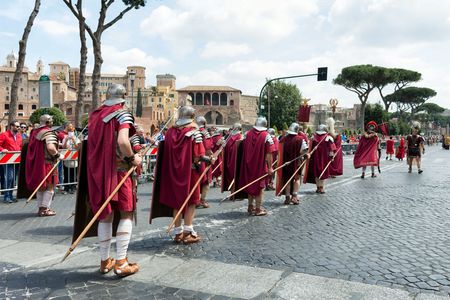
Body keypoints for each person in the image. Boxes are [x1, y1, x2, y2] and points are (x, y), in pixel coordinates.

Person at [87, 84, 142, 277]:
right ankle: (121, 262)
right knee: (126, 213)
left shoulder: (95, 116)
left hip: (98, 172)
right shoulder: (122, 114)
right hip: (119, 172)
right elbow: (122, 142)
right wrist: (132, 158)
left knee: (106, 215)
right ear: (123, 98)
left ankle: (105, 261)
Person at [151, 106, 211, 244]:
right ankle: (187, 232)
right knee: (191, 202)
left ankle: (178, 233)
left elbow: (165, 150)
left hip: (173, 172)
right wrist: (209, 160)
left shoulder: (170, 132)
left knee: (176, 202)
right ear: (192, 116)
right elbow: (198, 157)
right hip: (190, 173)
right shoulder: (194, 132)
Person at [234, 117, 275, 216]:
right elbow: (269, 154)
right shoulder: (267, 136)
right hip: (259, 166)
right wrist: (270, 167)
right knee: (259, 188)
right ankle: (258, 209)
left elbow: (240, 147)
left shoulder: (247, 134)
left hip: (247, 165)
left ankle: (250, 206)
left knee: (250, 185)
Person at [25, 115, 60, 216]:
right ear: (48, 122)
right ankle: (45, 209)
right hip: (48, 163)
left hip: (38, 163)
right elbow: (51, 147)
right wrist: (58, 154)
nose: (52, 122)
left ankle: (41, 208)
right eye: (51, 121)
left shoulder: (34, 132)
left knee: (41, 187)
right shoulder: (48, 132)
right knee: (49, 187)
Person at [276, 122, 308, 205]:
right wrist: (305, 155)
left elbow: (279, 151)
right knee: (296, 179)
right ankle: (294, 196)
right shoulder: (300, 139)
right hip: (296, 163)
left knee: (287, 179)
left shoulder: (283, 139)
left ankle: (287, 197)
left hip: (285, 163)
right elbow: (304, 150)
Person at [304, 124, 336, 194]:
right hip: (324, 158)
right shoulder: (328, 137)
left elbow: (310, 148)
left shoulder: (313, 137)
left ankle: (318, 187)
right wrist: (331, 156)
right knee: (322, 172)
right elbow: (331, 148)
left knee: (317, 172)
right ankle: (321, 187)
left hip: (315, 158)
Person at [0, 121, 23, 203]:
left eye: (19, 126)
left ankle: (11, 195)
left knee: (14, 179)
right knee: (9, 178)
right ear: (11, 126)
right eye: (17, 126)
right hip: (7, 160)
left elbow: (20, 146)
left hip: (17, 160)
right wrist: (3, 149)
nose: (18, 128)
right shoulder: (4, 135)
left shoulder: (19, 136)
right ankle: (6, 196)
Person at [196, 116, 212, 208]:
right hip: (204, 160)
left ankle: (196, 199)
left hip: (194, 160)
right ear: (204, 123)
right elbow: (208, 148)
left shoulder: (192, 132)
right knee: (206, 181)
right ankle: (202, 200)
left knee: (196, 181)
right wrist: (211, 157)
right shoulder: (205, 133)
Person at [221, 123, 243, 192]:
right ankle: (233, 191)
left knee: (233, 174)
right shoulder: (233, 136)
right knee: (233, 174)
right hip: (232, 159)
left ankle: (233, 191)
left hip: (232, 159)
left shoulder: (234, 136)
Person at [61, 123, 80, 194]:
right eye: (69, 127)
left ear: (74, 129)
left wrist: (73, 140)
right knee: (66, 173)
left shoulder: (77, 138)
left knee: (73, 173)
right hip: (67, 160)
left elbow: (78, 147)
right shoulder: (65, 137)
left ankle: (73, 187)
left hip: (74, 160)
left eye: (71, 127)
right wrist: (66, 140)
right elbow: (63, 147)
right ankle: (66, 187)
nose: (70, 128)